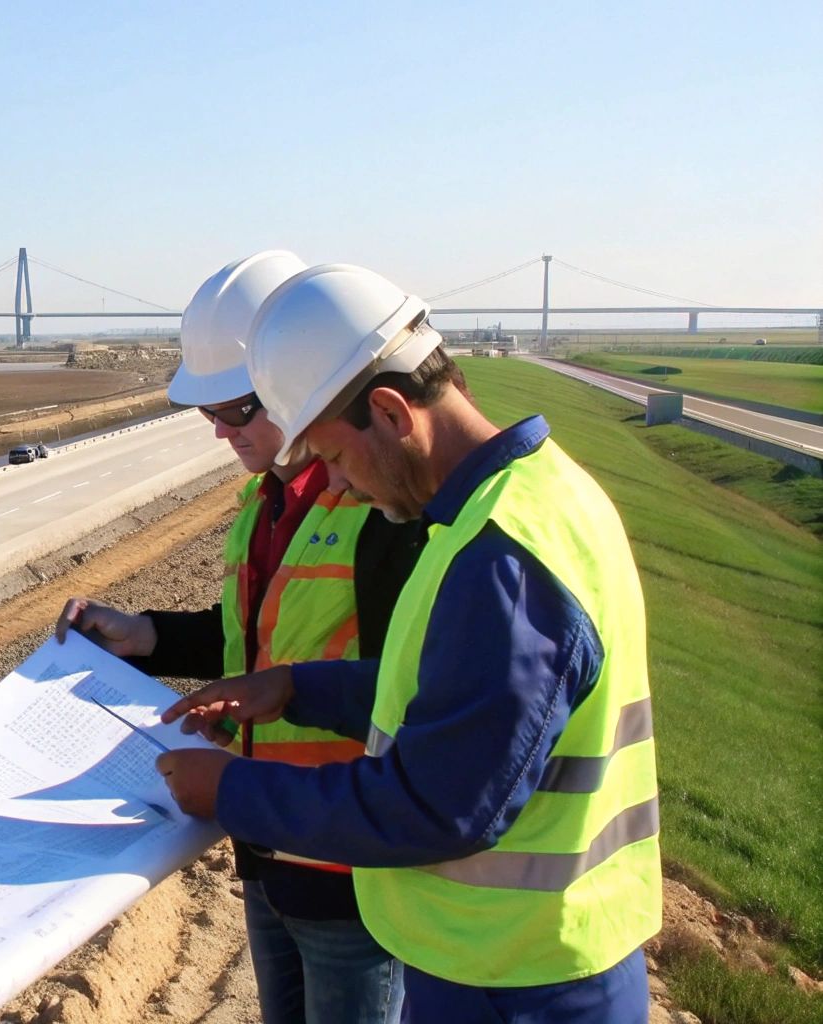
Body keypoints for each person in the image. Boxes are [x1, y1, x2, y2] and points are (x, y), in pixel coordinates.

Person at [156, 263, 660, 1023]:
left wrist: (229, 792)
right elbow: (456, 697)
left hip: (515, 981)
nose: (340, 485)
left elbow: (437, 804)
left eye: (329, 457)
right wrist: (298, 686)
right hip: (525, 958)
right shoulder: (528, 501)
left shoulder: (502, 561)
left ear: (391, 413)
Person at [58, 251, 425, 1024]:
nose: (223, 434)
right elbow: (248, 649)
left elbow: (404, 697)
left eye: (239, 411)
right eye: (209, 416)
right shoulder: (263, 506)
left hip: (348, 870)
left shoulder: (381, 515)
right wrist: (144, 636)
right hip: (262, 849)